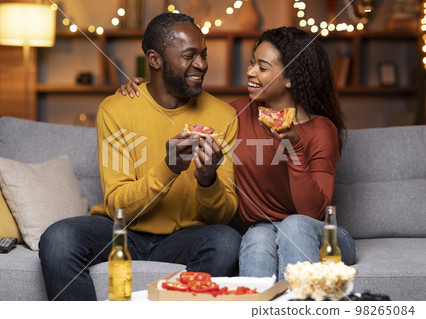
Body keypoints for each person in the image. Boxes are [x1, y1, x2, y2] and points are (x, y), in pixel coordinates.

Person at [118, 27, 356, 281]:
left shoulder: (321, 129)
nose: (250, 72)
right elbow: (184, 110)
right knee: (258, 234)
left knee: (294, 225)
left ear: (291, 78)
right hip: (262, 228)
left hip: (323, 234)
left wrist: (294, 147)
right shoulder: (236, 114)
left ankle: (298, 307)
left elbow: (313, 213)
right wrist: (150, 89)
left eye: (262, 68)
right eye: (252, 62)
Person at [38, 12, 241, 301]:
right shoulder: (116, 109)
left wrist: (208, 181)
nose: (202, 64)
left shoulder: (224, 115)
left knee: (226, 240)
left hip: (185, 238)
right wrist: (168, 169)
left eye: (204, 54)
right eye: (189, 55)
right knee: (59, 237)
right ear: (155, 60)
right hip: (121, 231)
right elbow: (118, 205)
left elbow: (223, 216)